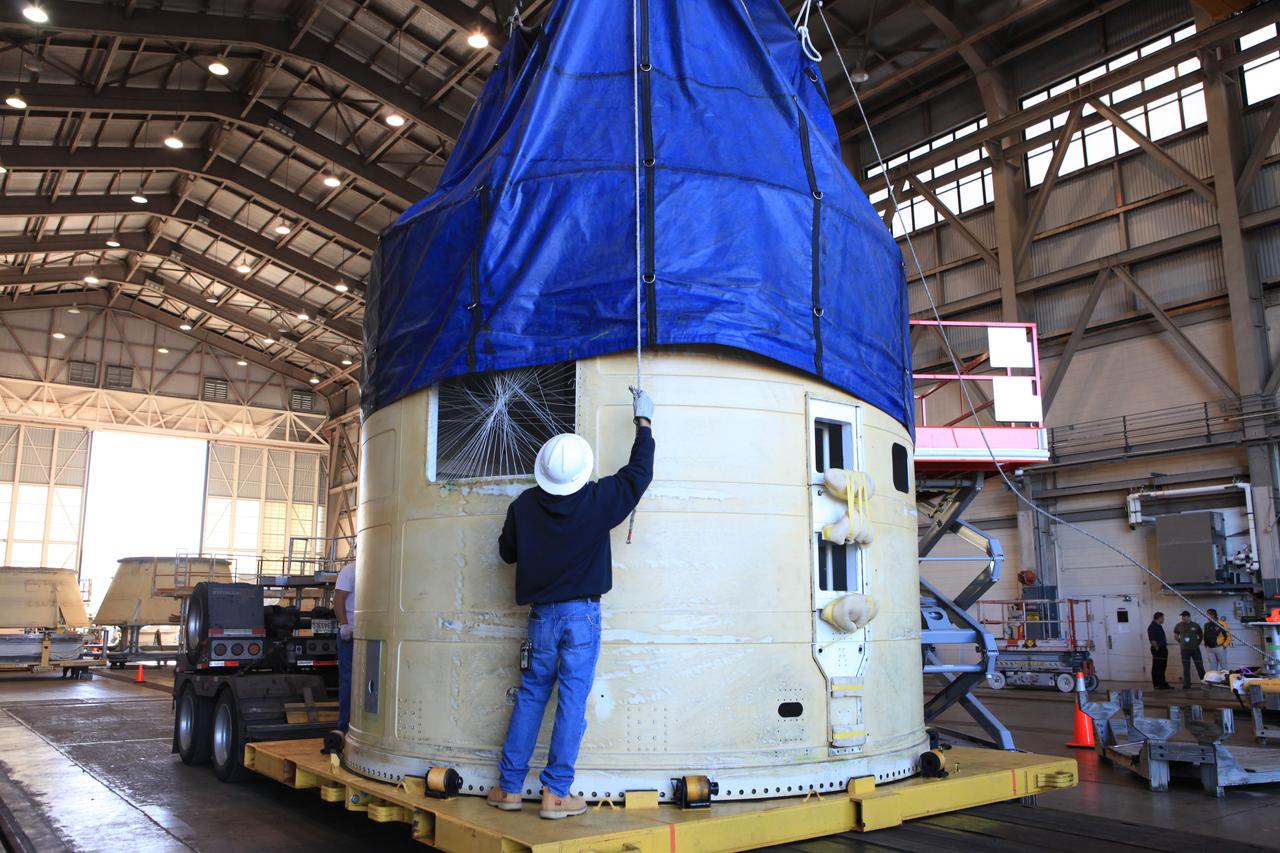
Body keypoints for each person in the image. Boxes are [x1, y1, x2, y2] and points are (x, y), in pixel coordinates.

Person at [487, 387, 655, 821]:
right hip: (582, 616)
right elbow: (638, 475)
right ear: (583, 470)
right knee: (572, 701)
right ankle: (556, 793)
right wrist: (644, 425)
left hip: (540, 619)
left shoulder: (523, 506)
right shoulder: (599, 500)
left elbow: (507, 553)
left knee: (530, 696)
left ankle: (507, 788)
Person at [333, 553, 356, 731]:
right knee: (348, 679)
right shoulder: (350, 571)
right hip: (350, 633)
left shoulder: (377, 571)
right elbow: (339, 598)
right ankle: (344, 726)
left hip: (368, 631)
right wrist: (344, 625)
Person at [1173, 610, 1205, 688]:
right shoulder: (1178, 625)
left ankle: (1204, 682)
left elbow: (1200, 635)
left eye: (1184, 616)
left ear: (1189, 617)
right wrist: (1181, 642)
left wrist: (1197, 642)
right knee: (1186, 667)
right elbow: (1176, 635)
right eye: (1182, 616)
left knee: (1199, 666)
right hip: (1184, 650)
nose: (1183, 618)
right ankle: (1187, 684)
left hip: (1195, 649)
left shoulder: (1195, 625)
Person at [1147, 612, 1172, 690]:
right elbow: (1153, 640)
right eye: (1163, 618)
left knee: (1162, 666)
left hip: (1163, 648)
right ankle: (1157, 684)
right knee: (1157, 666)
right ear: (1159, 618)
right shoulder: (1152, 627)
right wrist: (1157, 649)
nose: (1163, 619)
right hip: (1158, 649)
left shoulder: (1159, 626)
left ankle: (1162, 683)